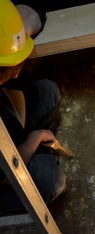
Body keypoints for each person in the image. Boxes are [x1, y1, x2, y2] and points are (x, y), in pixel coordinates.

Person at [0, 0, 66, 211]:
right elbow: (5, 176)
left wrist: (18, 35)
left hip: (8, 129)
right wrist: (35, 138)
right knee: (49, 179)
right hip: (2, 178)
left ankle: (30, 152)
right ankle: (32, 157)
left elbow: (34, 14)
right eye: (9, 69)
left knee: (47, 92)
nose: (17, 73)